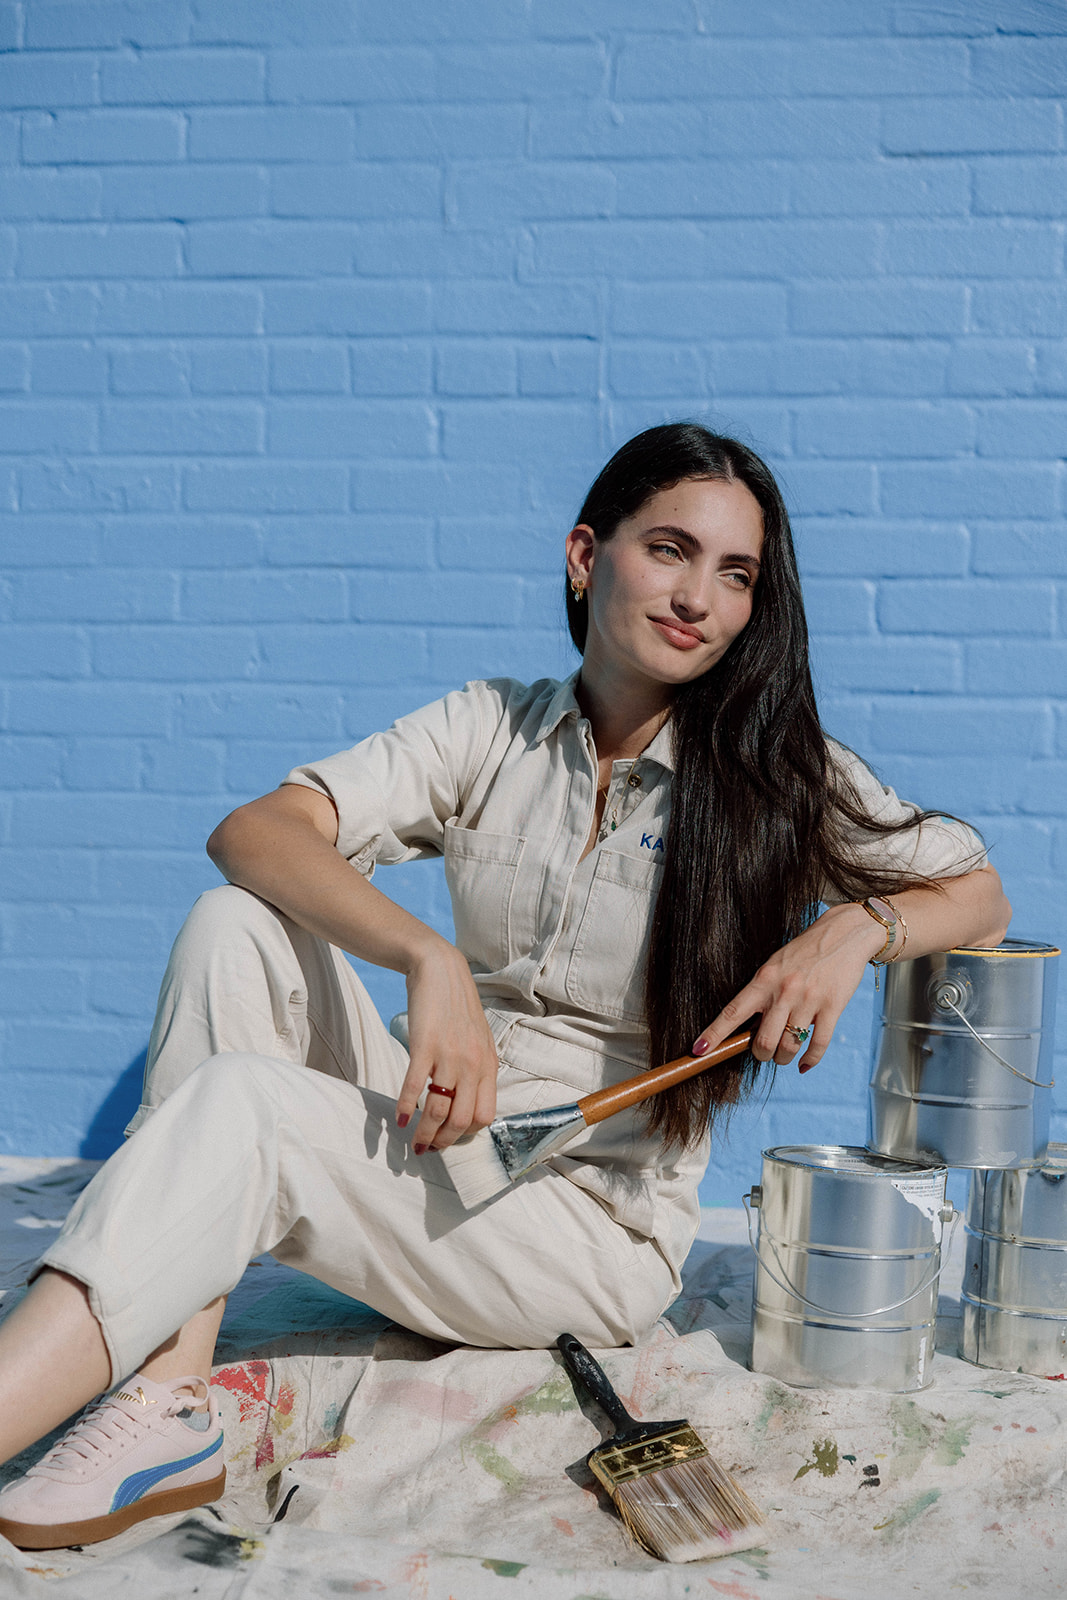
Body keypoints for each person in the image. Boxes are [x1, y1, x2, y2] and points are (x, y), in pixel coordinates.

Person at [0, 424, 1009, 1550]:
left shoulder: (774, 775)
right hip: (445, 1134)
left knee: (246, 1107)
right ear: (587, 557)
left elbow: (975, 893)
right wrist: (428, 963)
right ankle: (172, 1394)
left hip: (579, 1226)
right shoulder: (492, 726)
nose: (698, 598)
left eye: (735, 575)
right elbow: (256, 833)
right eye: (669, 550)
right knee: (236, 922)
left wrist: (848, 933)